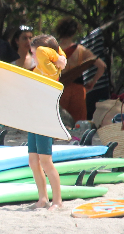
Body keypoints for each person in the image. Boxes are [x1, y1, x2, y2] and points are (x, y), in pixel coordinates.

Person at [26, 34, 68, 209]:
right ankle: (43, 198)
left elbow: (45, 52)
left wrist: (58, 58)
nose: (33, 56)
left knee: (45, 161)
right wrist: (59, 57)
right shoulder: (40, 68)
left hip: (45, 117)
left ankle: (57, 201)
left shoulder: (49, 69)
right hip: (34, 117)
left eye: (33, 52)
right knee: (33, 161)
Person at [55, 17, 105, 124]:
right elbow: (102, 66)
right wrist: (93, 81)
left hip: (60, 90)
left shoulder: (54, 51)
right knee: (78, 125)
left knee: (59, 123)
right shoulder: (81, 50)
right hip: (78, 91)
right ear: (74, 32)